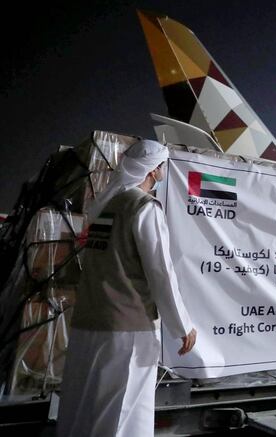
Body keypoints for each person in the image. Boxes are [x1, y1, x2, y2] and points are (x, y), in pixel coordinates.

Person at [57, 140, 196, 437]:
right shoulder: (143, 207)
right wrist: (182, 325)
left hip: (87, 324)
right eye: (163, 166)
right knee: (124, 411)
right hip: (126, 328)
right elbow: (160, 271)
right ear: (155, 170)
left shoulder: (104, 207)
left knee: (84, 405)